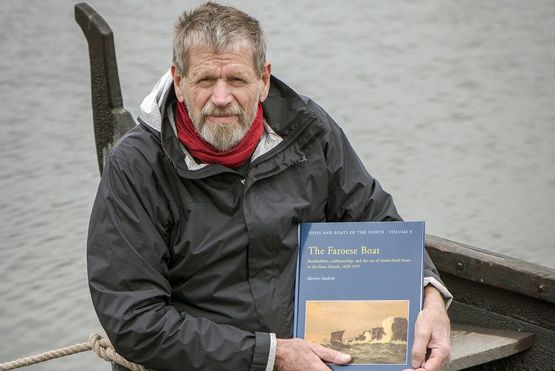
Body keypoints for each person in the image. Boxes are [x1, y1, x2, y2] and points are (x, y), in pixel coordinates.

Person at [87, 3, 452, 371]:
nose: (221, 97)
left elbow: (377, 221)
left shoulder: (308, 130)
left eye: (237, 80)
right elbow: (134, 321)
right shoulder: (136, 167)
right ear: (179, 82)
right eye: (205, 80)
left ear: (263, 80)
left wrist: (431, 296)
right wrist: (270, 355)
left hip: (314, 356)